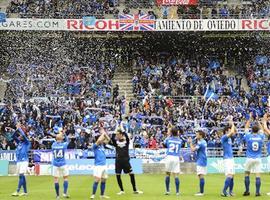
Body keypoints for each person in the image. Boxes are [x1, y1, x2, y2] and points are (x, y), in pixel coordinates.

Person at [243, 113, 269, 196]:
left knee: (247, 173)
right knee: (258, 175)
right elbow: (262, 129)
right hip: (258, 158)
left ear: (252, 130)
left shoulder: (248, 136)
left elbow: (246, 127)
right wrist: (258, 121)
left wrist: (250, 118)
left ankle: (247, 191)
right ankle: (257, 192)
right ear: (258, 130)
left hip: (249, 158)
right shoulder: (261, 136)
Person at [110, 128, 143, 195]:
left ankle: (135, 190)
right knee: (118, 175)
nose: (117, 136)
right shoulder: (116, 143)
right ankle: (122, 190)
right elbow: (112, 138)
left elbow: (127, 137)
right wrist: (115, 131)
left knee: (131, 174)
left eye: (118, 134)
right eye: (116, 135)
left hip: (126, 161)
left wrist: (123, 130)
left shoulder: (126, 142)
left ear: (121, 134)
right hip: (118, 161)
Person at [90, 122, 111, 199]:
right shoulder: (95, 146)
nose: (102, 140)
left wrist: (104, 133)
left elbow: (108, 139)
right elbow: (99, 140)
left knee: (104, 180)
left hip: (104, 165)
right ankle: (93, 194)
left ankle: (102, 195)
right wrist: (102, 132)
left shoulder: (102, 145)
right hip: (98, 166)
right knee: (97, 180)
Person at [11, 123, 31, 197]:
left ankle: (17, 191)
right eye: (19, 136)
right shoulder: (19, 142)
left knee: (21, 175)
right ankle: (25, 192)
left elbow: (24, 135)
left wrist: (19, 128)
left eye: (21, 136)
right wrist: (16, 130)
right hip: (19, 161)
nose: (20, 136)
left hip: (24, 161)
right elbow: (13, 136)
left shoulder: (26, 142)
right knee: (22, 176)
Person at [220, 117, 237, 197]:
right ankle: (223, 191)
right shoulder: (224, 137)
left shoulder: (230, 138)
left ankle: (230, 191)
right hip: (227, 159)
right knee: (229, 175)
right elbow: (232, 131)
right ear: (227, 131)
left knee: (232, 176)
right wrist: (232, 123)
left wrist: (232, 123)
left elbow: (235, 131)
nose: (231, 131)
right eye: (229, 130)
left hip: (231, 158)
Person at [163, 127, 182, 196]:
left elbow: (164, 144)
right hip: (176, 157)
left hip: (169, 156)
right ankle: (177, 192)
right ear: (177, 133)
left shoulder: (168, 139)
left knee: (168, 174)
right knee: (176, 175)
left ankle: (168, 191)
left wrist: (169, 135)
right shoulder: (180, 140)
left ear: (171, 133)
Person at [188, 130, 207, 196]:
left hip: (201, 160)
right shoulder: (204, 141)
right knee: (201, 175)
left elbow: (193, 150)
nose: (196, 136)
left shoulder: (201, 142)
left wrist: (190, 143)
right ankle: (201, 191)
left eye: (197, 135)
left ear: (200, 135)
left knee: (200, 175)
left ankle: (201, 192)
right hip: (203, 159)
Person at [51, 131, 70, 199]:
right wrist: (64, 133)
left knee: (56, 180)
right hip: (63, 163)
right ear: (61, 139)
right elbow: (68, 140)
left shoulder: (53, 145)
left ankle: (57, 195)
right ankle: (64, 193)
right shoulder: (64, 145)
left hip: (55, 164)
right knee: (65, 178)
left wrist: (59, 135)